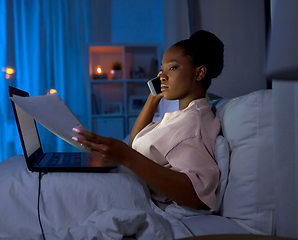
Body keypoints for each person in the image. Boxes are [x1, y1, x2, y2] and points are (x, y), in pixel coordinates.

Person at [72, 30, 224, 211]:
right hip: (126, 184)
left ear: (199, 73)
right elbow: (135, 141)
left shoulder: (195, 124)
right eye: (162, 68)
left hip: (136, 196)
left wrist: (127, 157)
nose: (162, 75)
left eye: (173, 67)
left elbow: (198, 196)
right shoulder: (181, 114)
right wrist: (154, 97)